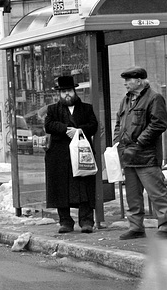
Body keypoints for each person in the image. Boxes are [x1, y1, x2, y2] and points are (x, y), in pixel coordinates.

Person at [114, 66, 167, 240]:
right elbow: (119, 123)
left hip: (146, 156)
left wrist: (138, 143)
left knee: (157, 193)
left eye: (128, 80)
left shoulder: (154, 98)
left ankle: (165, 226)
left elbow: (159, 124)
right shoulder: (126, 100)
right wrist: (117, 142)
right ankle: (136, 227)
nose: (125, 83)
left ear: (139, 81)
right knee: (132, 195)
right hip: (128, 154)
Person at [44, 75, 99, 234]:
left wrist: (79, 130)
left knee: (85, 188)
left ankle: (87, 222)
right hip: (60, 157)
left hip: (82, 154)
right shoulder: (53, 109)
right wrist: (65, 129)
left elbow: (93, 126)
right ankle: (65, 222)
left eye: (69, 91)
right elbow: (48, 125)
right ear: (59, 94)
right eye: (63, 92)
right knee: (61, 189)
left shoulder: (86, 108)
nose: (66, 94)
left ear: (74, 91)